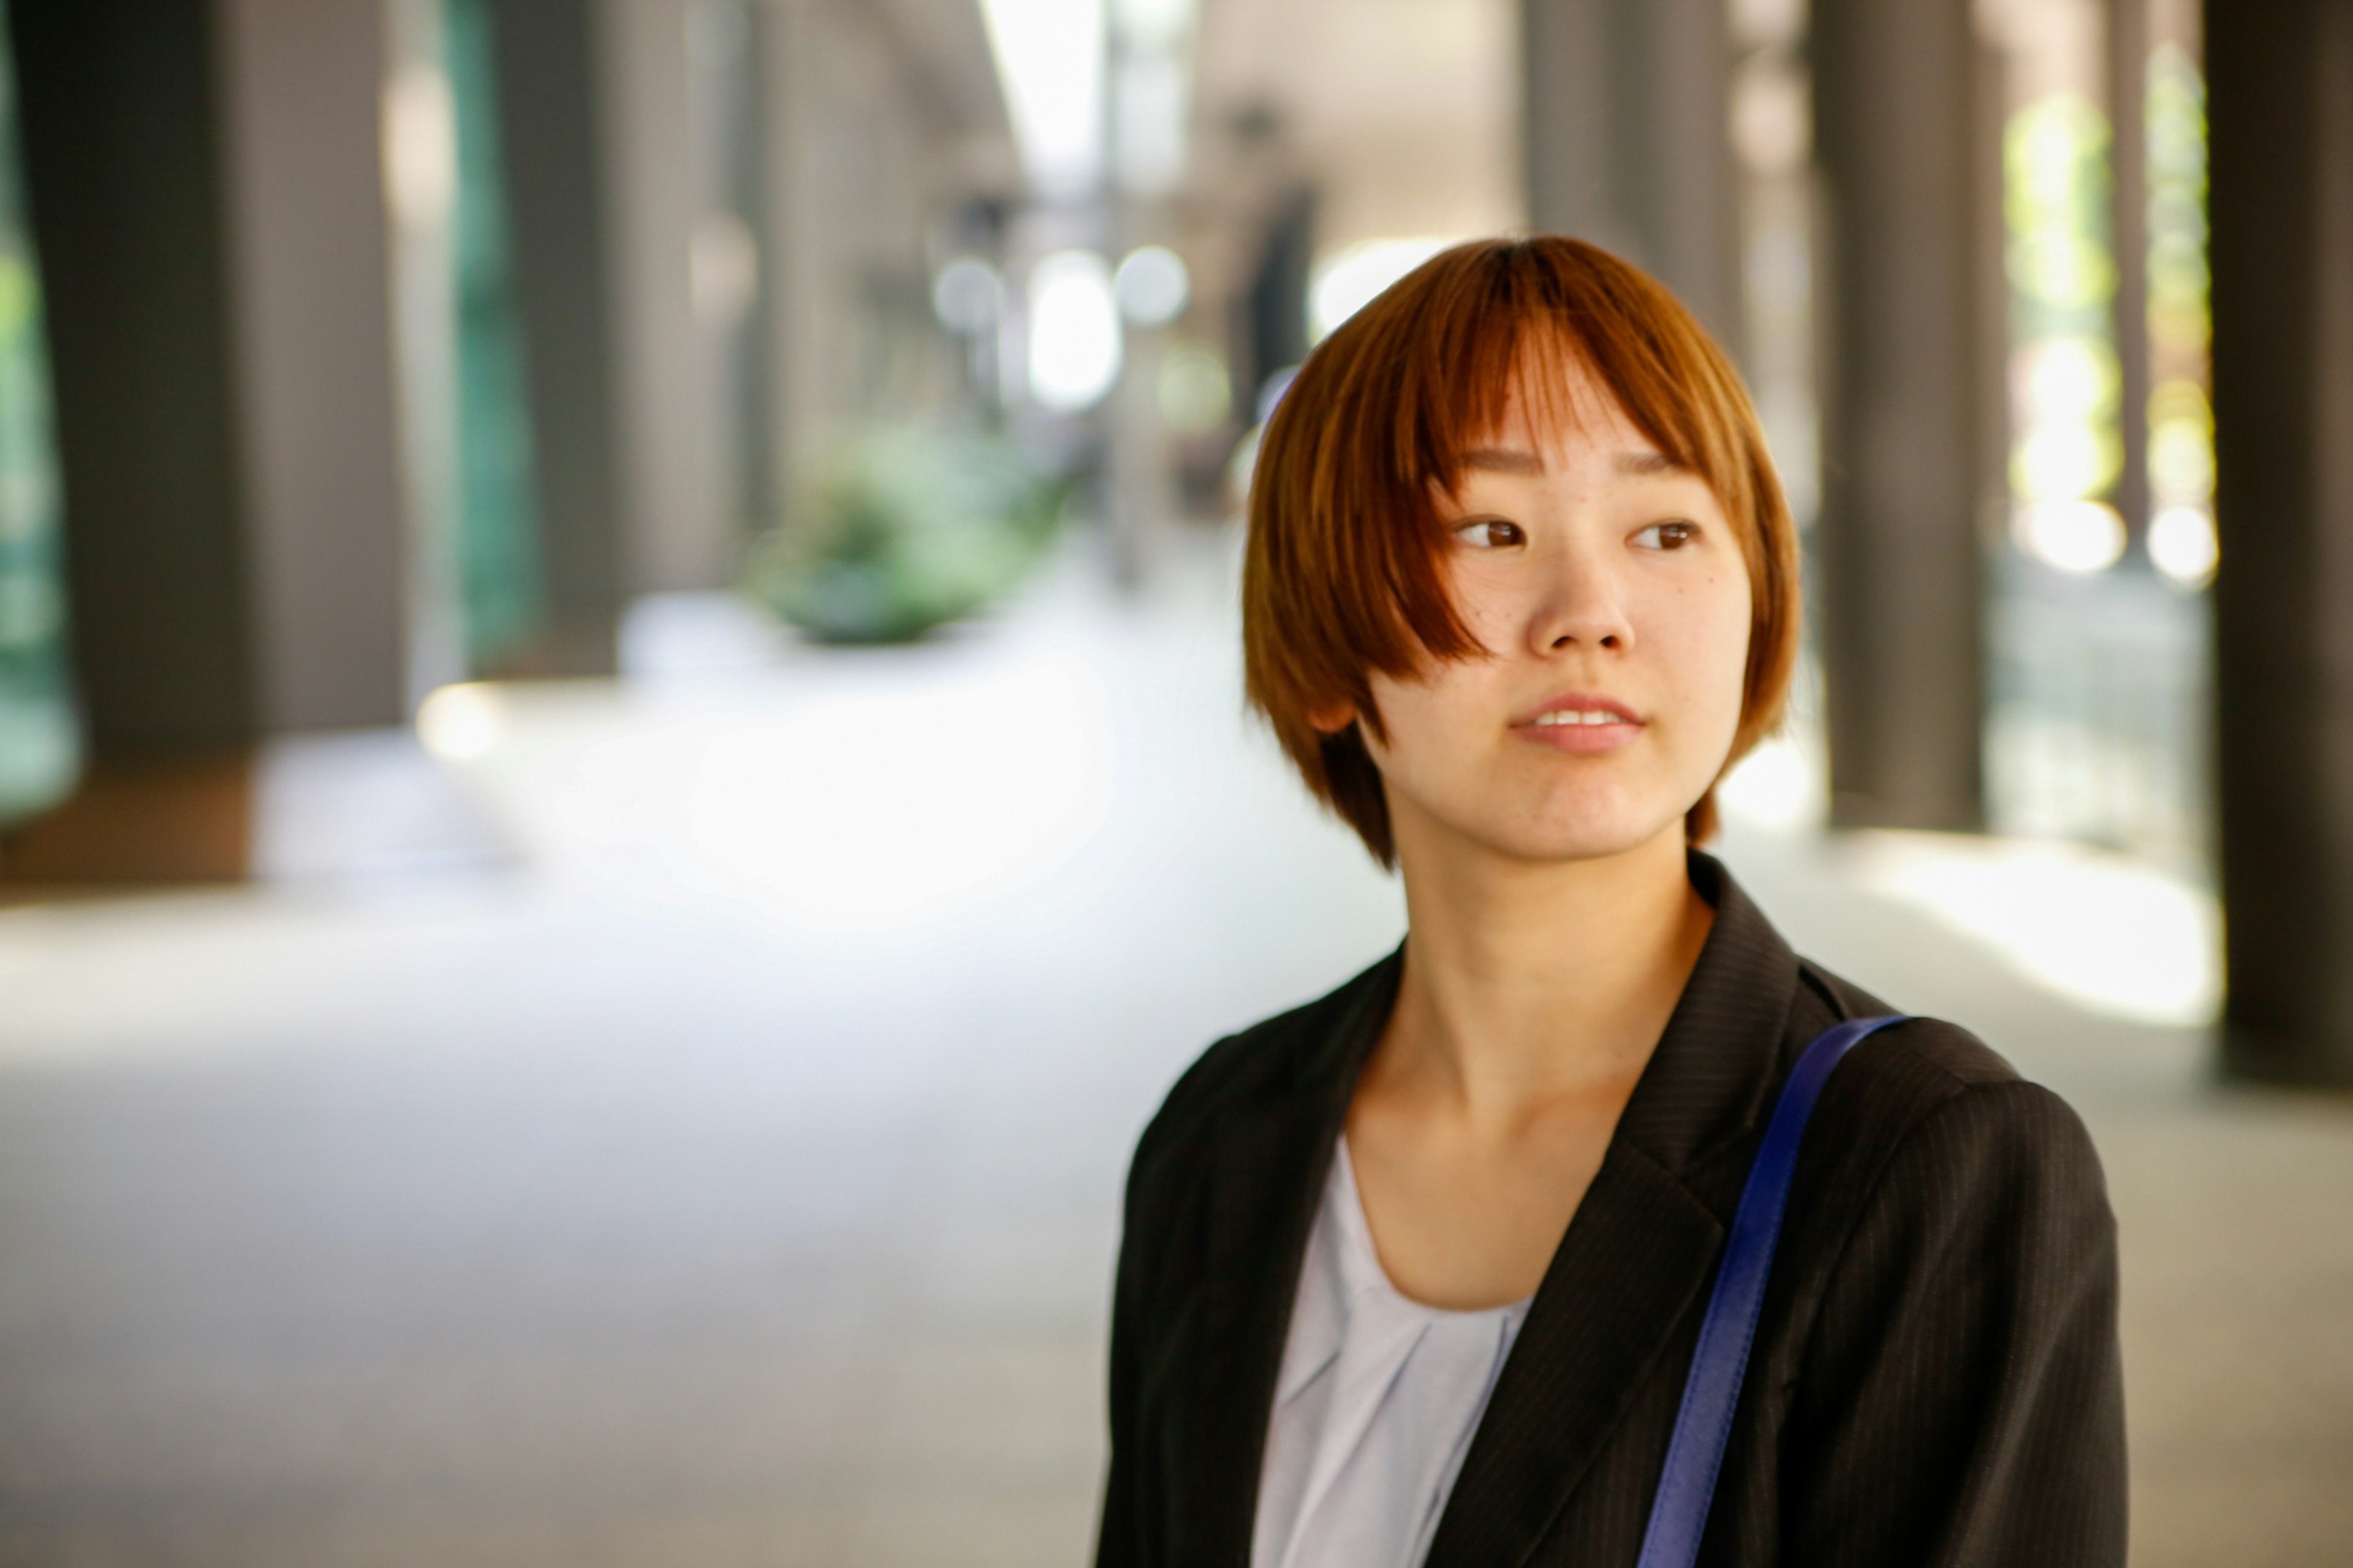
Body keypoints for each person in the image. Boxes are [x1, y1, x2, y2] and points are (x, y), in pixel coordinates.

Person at [1092, 237, 2125, 1568]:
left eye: (1664, 530)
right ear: (1325, 646)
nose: (1591, 611)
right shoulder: (1223, 1142)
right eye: (1489, 527)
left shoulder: (1932, 1163)